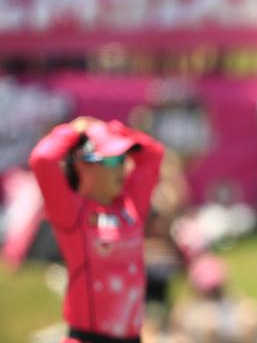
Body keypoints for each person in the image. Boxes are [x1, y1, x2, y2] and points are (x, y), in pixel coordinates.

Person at [29, 116, 164, 342]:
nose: (121, 167)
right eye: (112, 160)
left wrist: (114, 130)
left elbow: (153, 153)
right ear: (83, 164)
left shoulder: (131, 206)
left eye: (123, 159)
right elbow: (43, 159)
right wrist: (75, 130)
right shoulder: (72, 213)